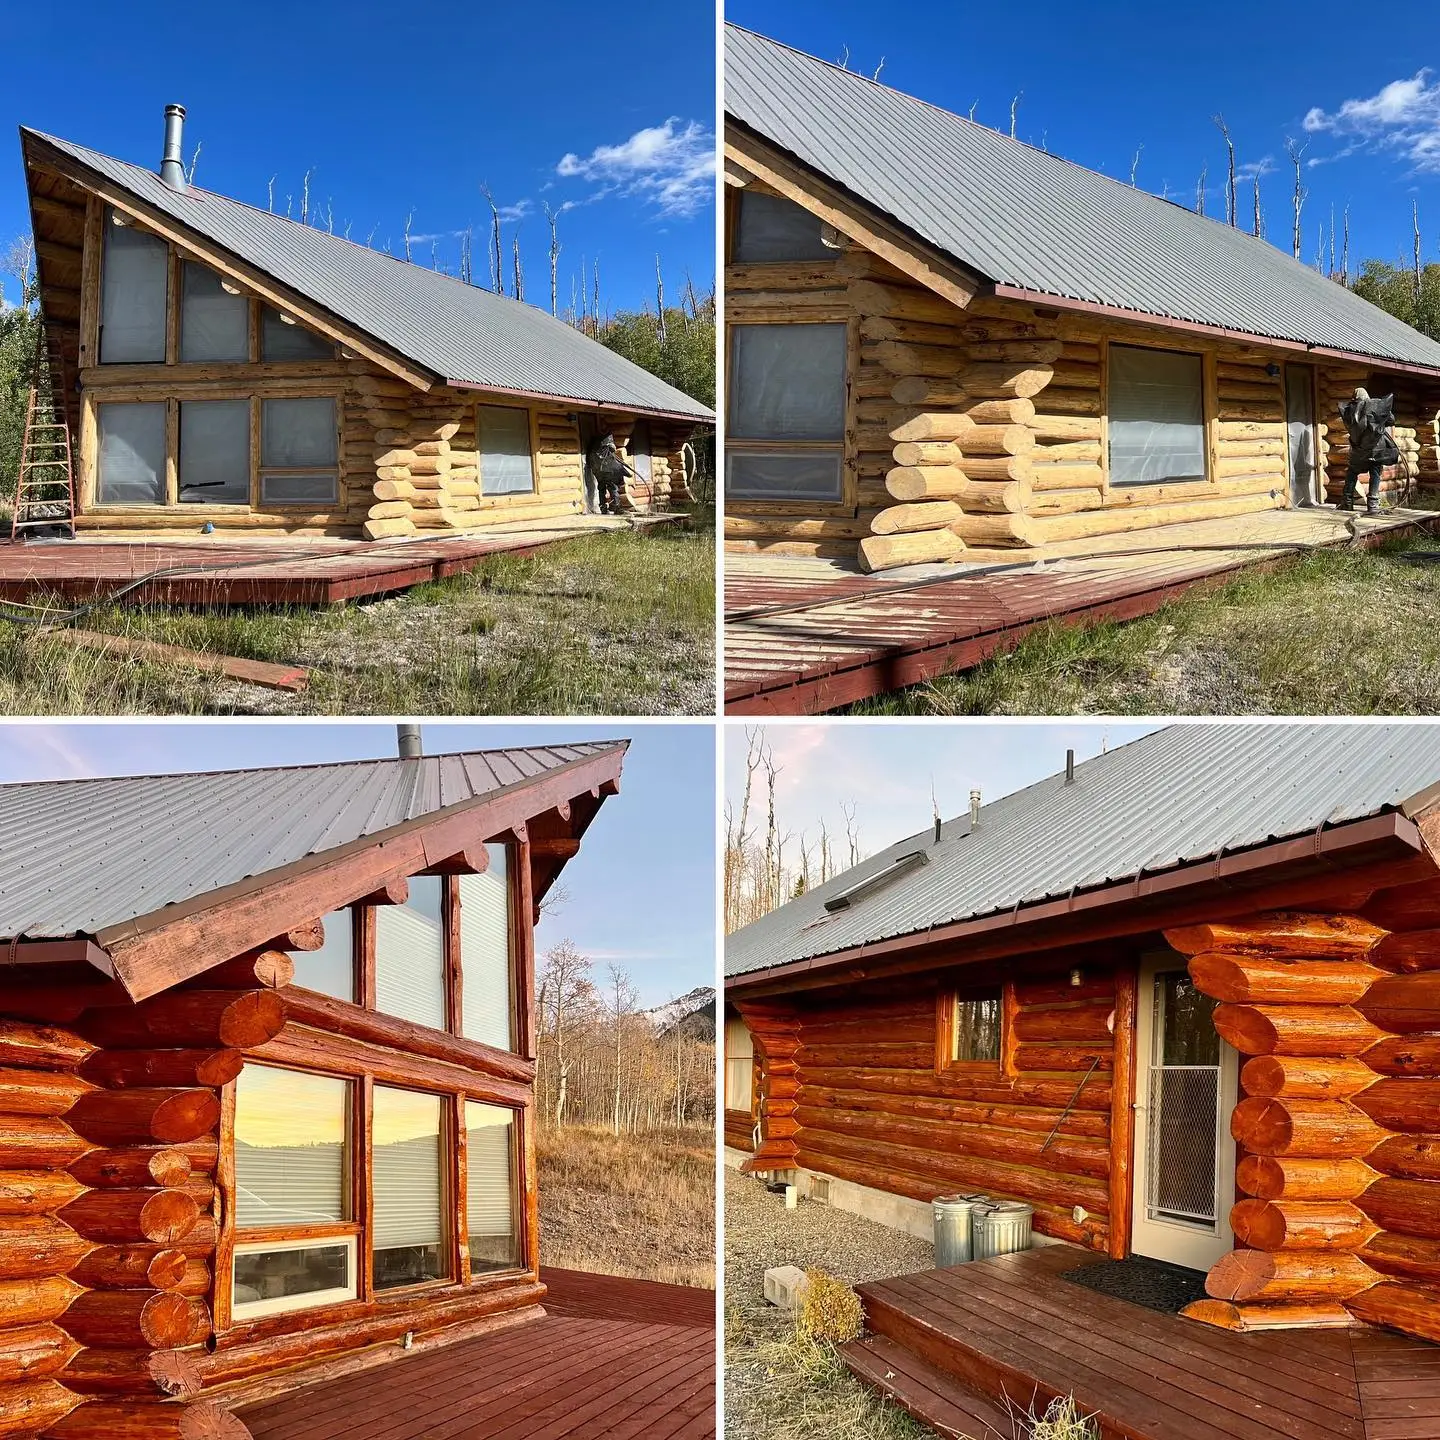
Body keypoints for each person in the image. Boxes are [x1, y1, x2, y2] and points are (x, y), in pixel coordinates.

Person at [1339, 388, 1400, 515]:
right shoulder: (1376, 406)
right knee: (1375, 473)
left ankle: (1347, 503)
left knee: (1352, 473)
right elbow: (1391, 420)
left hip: (1358, 450)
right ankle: (1372, 505)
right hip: (1375, 450)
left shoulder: (1348, 409)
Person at [587, 433, 632, 515]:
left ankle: (603, 508)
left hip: (598, 472)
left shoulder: (594, 450)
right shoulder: (607, 444)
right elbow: (613, 449)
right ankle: (617, 508)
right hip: (607, 472)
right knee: (613, 488)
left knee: (601, 489)